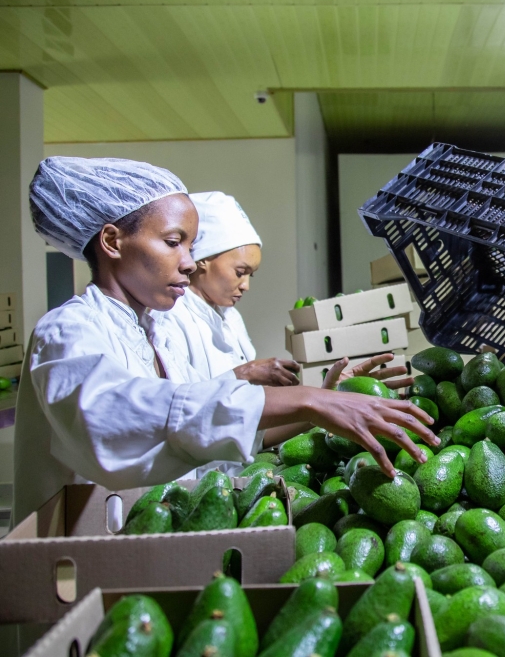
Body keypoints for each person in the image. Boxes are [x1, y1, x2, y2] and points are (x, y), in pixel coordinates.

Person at [13, 157, 435, 523]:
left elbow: (209, 435)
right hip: (78, 575)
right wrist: (308, 400)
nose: (189, 262)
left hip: (152, 554)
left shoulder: (157, 334)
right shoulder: (69, 331)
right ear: (112, 241)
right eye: (174, 242)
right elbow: (115, 420)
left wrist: (326, 401)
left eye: (192, 246)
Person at [153, 191, 410, 391]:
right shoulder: (171, 319)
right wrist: (246, 373)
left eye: (251, 275)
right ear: (202, 260)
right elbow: (177, 407)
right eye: (240, 272)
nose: (246, 285)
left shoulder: (228, 316)